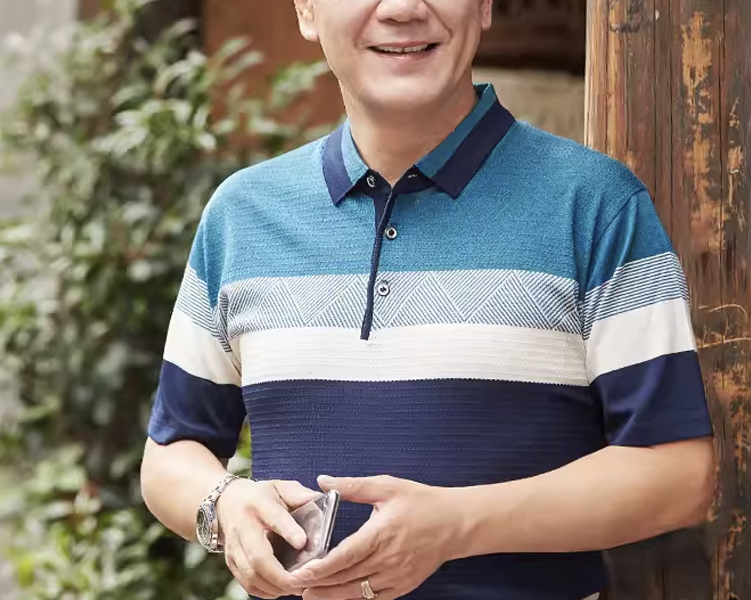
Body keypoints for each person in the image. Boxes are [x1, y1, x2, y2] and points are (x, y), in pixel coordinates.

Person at [140, 1, 716, 599]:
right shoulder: (241, 216)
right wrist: (224, 503)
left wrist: (458, 525)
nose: (404, 9)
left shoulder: (597, 206)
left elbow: (678, 473)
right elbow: (171, 454)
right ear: (307, 10)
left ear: (484, 5)